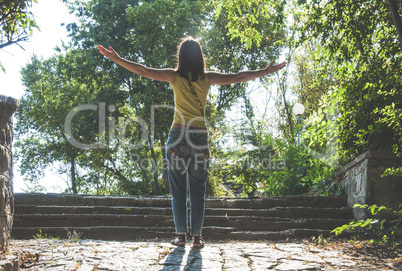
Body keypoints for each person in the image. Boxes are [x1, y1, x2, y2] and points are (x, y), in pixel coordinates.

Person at [97, 36, 286, 249]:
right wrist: (265, 71)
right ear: (200, 57)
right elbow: (239, 76)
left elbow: (144, 70)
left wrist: (117, 59)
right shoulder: (207, 78)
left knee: (178, 191)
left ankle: (181, 237)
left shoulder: (174, 76)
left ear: (181, 57)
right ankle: (197, 238)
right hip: (199, 138)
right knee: (198, 191)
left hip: (177, 137)